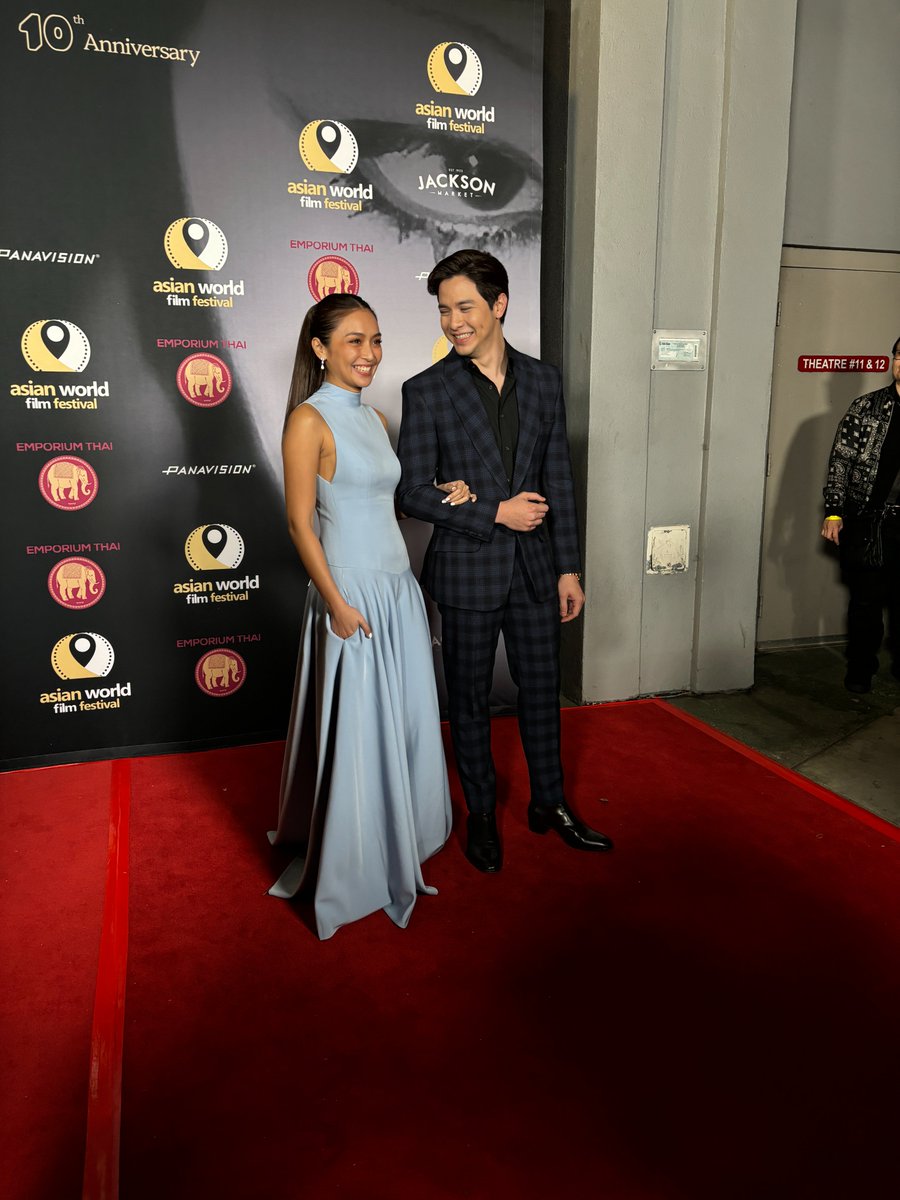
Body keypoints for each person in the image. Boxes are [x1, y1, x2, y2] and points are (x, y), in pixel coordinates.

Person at [396, 249, 613, 873]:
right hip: (467, 570)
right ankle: (484, 816)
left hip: (538, 569)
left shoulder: (545, 382)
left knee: (542, 692)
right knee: (466, 699)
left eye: (465, 307)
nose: (453, 322)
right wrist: (493, 510)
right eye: (443, 310)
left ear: (499, 305)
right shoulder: (427, 390)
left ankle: (551, 804)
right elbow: (410, 492)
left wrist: (569, 568)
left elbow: (559, 482)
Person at [268, 293, 473, 938]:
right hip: (350, 593)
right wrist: (336, 605)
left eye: (376, 340)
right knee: (359, 729)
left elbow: (385, 502)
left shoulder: (378, 417)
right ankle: (356, 859)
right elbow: (302, 524)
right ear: (320, 348)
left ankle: (404, 829)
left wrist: (440, 493)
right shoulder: (307, 420)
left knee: (407, 716)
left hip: (396, 587)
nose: (369, 354)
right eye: (353, 341)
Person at [821, 337, 900, 694]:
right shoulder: (866, 407)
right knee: (866, 601)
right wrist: (834, 512)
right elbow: (840, 461)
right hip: (870, 521)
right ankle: (860, 669)